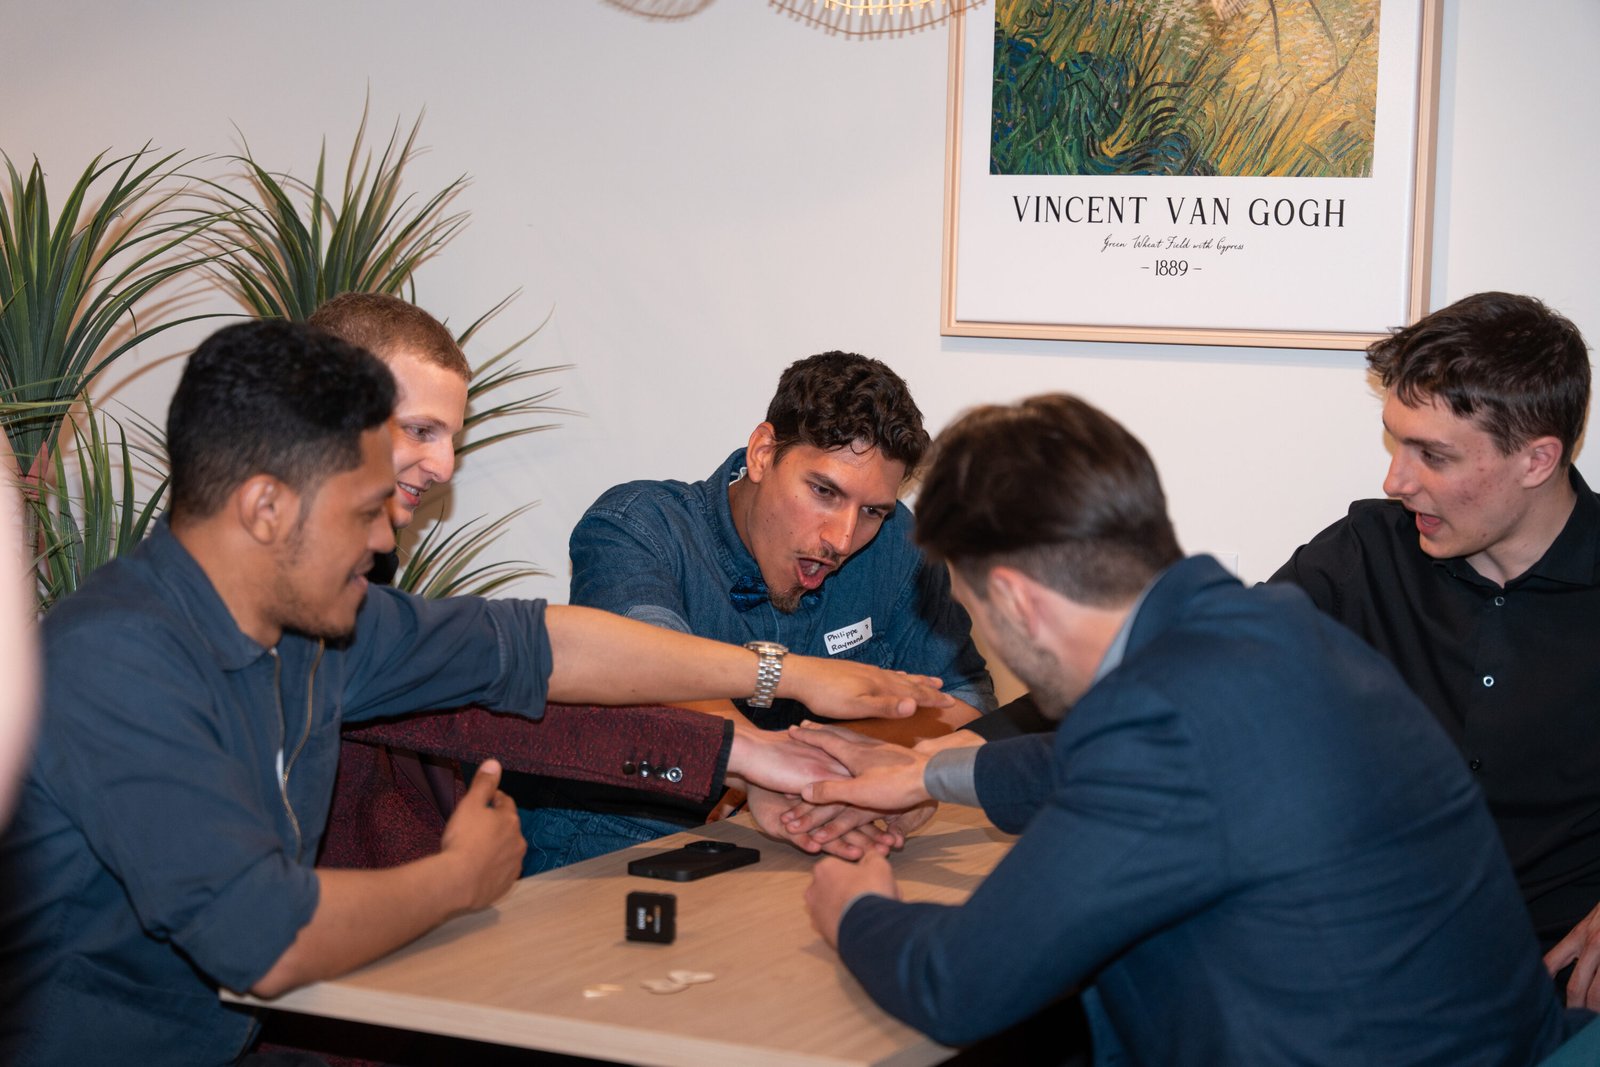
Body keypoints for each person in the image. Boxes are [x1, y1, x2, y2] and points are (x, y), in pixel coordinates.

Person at [0, 320, 949, 1064]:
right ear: (265, 508)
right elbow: (267, 939)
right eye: (366, 511)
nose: (387, 540)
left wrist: (780, 680)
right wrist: (462, 876)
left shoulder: (326, 623)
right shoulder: (118, 660)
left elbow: (543, 644)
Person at [792, 394, 1566, 1064]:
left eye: (976, 609)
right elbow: (1112, 765)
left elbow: (958, 984)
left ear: (1018, 600)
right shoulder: (1270, 625)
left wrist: (856, 905)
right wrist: (930, 770)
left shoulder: (1164, 726)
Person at [516, 351, 996, 870]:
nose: (841, 539)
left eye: (872, 511)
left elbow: (967, 699)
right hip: (613, 848)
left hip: (798, 848)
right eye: (824, 491)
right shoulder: (638, 526)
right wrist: (777, 760)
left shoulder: (896, 543)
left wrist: (874, 770)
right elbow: (643, 672)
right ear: (764, 453)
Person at [1268, 291, 1600, 1008]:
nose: (1395, 480)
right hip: (1361, 973)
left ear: (1538, 460)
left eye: (1433, 455)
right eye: (1396, 442)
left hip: (1554, 990)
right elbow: (1205, 677)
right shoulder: (1362, 554)